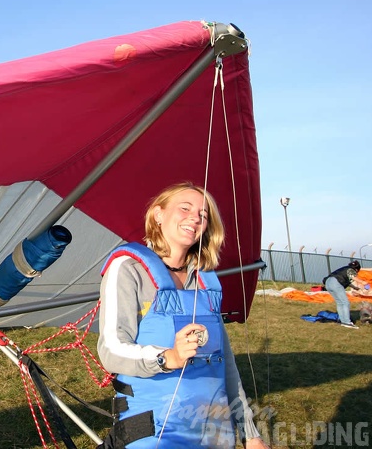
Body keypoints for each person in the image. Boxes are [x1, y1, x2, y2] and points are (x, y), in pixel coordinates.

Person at [97, 182, 269, 449]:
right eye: (185, 208)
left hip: (214, 432)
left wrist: (250, 433)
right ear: (159, 214)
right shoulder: (127, 269)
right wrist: (169, 358)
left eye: (203, 214)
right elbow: (111, 350)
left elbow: (227, 366)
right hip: (154, 429)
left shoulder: (206, 281)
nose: (195, 218)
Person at [323, 260, 367, 329]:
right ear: (356, 269)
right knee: (345, 303)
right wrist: (362, 282)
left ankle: (343, 321)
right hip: (335, 283)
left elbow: (347, 281)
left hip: (328, 283)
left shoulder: (344, 269)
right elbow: (352, 276)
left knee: (340, 303)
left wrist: (355, 288)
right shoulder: (351, 270)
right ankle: (347, 322)